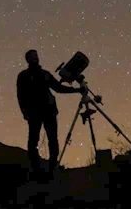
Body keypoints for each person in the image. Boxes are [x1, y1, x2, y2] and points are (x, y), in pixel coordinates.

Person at [17, 49, 84, 178]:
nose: (35, 58)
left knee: (52, 140)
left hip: (48, 111)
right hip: (35, 113)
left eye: (36, 55)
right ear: (28, 59)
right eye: (33, 56)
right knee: (33, 142)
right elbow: (21, 96)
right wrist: (25, 112)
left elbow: (58, 88)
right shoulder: (23, 76)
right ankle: (36, 169)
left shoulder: (45, 74)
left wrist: (76, 90)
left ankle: (52, 167)